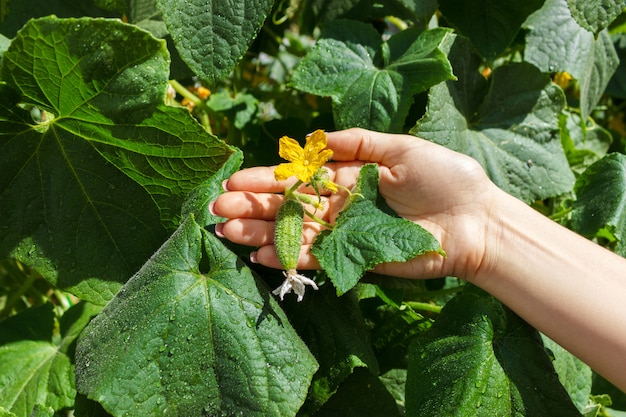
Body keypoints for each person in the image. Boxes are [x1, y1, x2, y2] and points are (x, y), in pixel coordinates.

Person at [211, 128, 626, 392]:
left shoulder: (319, 173)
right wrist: (482, 228)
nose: (304, 160)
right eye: (299, 159)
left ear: (315, 160)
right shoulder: (302, 181)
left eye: (308, 159)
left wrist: (480, 224)